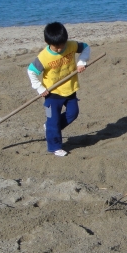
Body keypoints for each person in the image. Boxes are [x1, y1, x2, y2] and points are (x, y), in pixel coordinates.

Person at [27, 22, 91, 156]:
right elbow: (31, 71)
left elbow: (85, 47)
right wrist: (39, 88)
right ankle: (55, 146)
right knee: (53, 120)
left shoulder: (71, 45)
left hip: (70, 89)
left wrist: (81, 63)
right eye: (57, 48)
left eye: (62, 46)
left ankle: (50, 128)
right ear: (47, 42)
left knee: (73, 113)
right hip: (52, 93)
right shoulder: (44, 57)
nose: (60, 50)